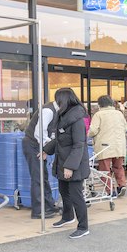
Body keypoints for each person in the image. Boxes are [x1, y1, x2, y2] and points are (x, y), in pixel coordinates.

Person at [43, 88, 91, 239]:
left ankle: (83, 227)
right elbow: (59, 139)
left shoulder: (76, 119)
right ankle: (67, 216)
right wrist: (46, 150)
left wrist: (70, 167)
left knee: (76, 196)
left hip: (73, 164)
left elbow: (79, 145)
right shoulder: (64, 116)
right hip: (63, 161)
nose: (56, 103)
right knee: (64, 192)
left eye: (58, 100)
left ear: (64, 100)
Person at [22, 101, 60, 219]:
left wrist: (46, 149)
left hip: (38, 145)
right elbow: (39, 133)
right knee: (38, 178)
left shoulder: (55, 111)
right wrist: (47, 148)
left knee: (43, 177)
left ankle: (49, 206)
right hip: (33, 144)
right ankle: (38, 210)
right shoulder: (48, 111)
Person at [88, 95, 127, 197]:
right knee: (118, 167)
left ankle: (110, 191)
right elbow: (125, 128)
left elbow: (93, 130)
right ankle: (121, 185)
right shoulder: (119, 114)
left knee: (105, 170)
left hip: (104, 146)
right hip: (119, 145)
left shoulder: (99, 115)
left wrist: (88, 135)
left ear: (99, 104)